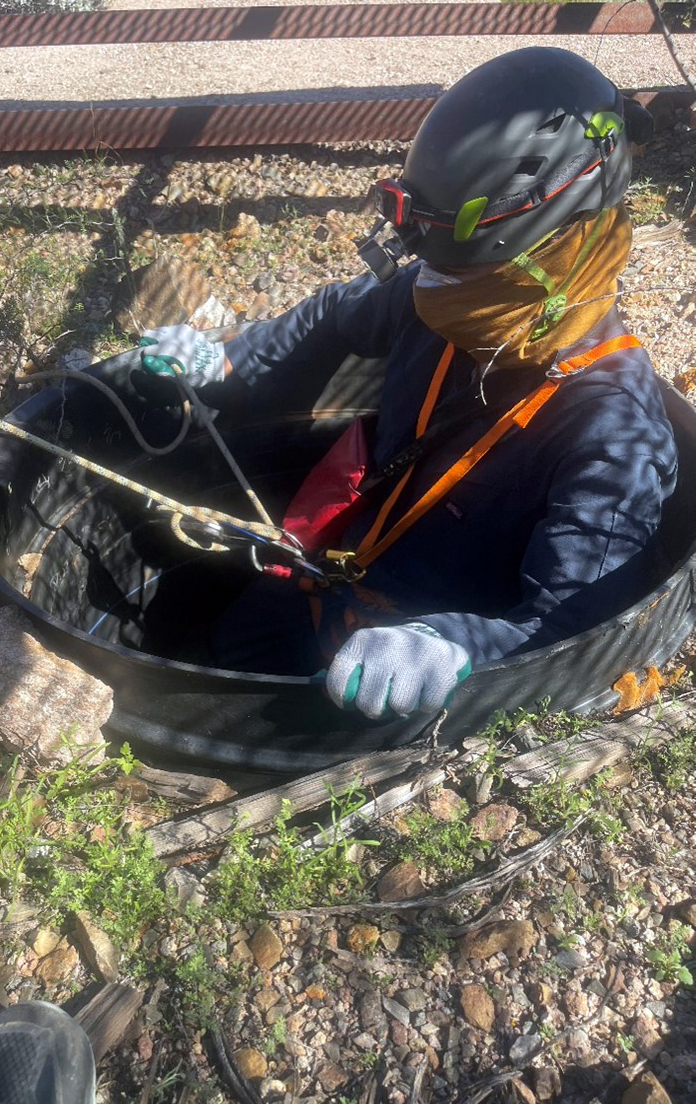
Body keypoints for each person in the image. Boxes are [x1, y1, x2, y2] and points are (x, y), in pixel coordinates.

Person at [137, 47, 677, 722]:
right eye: (433, 269)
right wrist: (228, 361)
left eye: (466, 278)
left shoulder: (612, 431)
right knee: (214, 656)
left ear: (558, 253)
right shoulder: (442, 297)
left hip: (414, 658)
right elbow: (332, 316)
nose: (435, 291)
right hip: (338, 570)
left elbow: (572, 627)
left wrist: (457, 643)